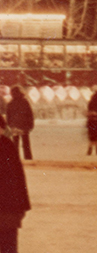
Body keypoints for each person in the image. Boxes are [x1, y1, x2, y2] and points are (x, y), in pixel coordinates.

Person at [0, 114, 30, 253]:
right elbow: (19, 178)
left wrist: (22, 206)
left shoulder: (7, 146)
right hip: (9, 211)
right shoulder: (7, 145)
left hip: (7, 211)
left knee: (8, 245)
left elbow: (18, 179)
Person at [6, 88, 34, 162]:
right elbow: (30, 114)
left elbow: (8, 116)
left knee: (16, 144)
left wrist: (10, 125)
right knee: (26, 144)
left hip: (15, 127)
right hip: (23, 126)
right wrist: (31, 125)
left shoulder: (10, 103)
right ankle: (28, 158)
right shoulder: (24, 102)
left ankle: (16, 159)